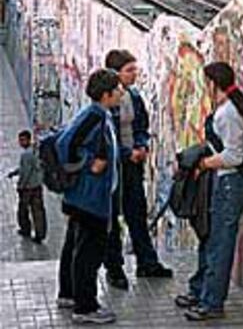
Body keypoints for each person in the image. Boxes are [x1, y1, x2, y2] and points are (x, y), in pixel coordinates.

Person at [175, 61, 243, 321]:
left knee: (219, 243)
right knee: (212, 239)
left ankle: (211, 302)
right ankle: (202, 291)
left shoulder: (227, 114)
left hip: (229, 184)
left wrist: (204, 163)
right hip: (225, 183)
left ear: (213, 83)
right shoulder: (228, 109)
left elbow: (234, 155)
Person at [56, 69, 122, 325]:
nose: (120, 93)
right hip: (89, 199)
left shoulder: (100, 115)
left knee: (76, 246)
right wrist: (87, 163)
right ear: (106, 94)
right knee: (88, 253)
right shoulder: (94, 116)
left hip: (88, 197)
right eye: (116, 90)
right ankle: (85, 307)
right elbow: (66, 144)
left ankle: (70, 294)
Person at [104, 49, 172, 290]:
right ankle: (114, 268)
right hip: (113, 169)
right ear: (115, 73)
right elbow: (106, 139)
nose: (135, 74)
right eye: (129, 70)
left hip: (133, 164)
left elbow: (142, 124)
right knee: (112, 218)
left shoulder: (133, 95)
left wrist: (141, 145)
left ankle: (147, 262)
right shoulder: (106, 100)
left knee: (137, 213)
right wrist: (126, 153)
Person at [7, 130, 47, 244]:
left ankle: (26, 229)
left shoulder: (26, 154)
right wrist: (15, 172)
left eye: (22, 140)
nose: (20, 142)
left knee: (22, 210)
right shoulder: (34, 151)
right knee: (38, 211)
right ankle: (40, 234)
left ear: (28, 140)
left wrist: (20, 186)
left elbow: (25, 172)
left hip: (28, 188)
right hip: (37, 185)